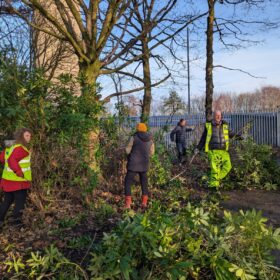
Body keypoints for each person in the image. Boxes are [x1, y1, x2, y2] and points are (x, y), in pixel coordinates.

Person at [195, 110, 241, 189]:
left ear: (221, 116)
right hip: (213, 151)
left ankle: (214, 180)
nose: (218, 117)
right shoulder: (209, 126)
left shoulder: (225, 126)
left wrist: (240, 137)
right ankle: (213, 188)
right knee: (215, 169)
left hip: (223, 151)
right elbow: (203, 138)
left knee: (228, 166)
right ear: (214, 116)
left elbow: (232, 134)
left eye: (219, 115)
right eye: (216, 115)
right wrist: (198, 148)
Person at [0, 128, 32, 229]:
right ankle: (16, 225)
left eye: (30, 136)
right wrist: (19, 172)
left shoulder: (10, 147)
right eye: (27, 136)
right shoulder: (21, 149)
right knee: (19, 204)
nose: (29, 138)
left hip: (7, 181)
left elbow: (2, 158)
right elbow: (11, 160)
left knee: (7, 202)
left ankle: (0, 221)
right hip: (18, 182)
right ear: (21, 136)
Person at [124, 123, 155, 209]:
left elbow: (127, 151)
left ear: (137, 129)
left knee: (127, 182)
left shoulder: (133, 137)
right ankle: (144, 203)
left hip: (133, 164)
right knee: (144, 183)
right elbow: (152, 153)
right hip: (144, 164)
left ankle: (128, 204)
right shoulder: (150, 139)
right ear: (145, 129)